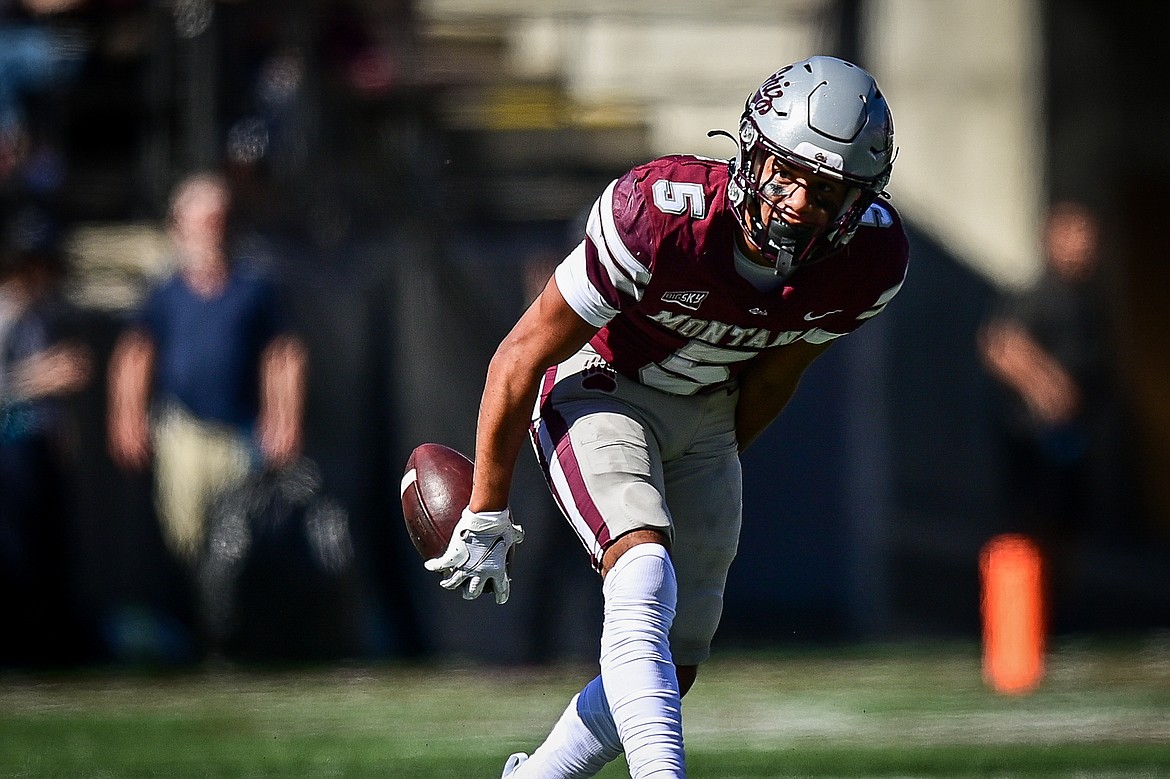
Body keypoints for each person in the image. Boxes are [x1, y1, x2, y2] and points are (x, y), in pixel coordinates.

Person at [422, 55, 909, 778]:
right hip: (603, 385)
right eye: (788, 173)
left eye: (829, 189)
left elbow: (779, 373)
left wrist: (706, 464)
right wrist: (489, 507)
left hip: (706, 415)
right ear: (750, 152)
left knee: (670, 666)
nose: (801, 203)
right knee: (643, 568)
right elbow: (520, 355)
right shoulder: (662, 215)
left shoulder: (869, 259)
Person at [107, 171, 307, 569]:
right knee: (185, 538)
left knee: (238, 538)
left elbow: (283, 354)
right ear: (179, 227)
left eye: (218, 220)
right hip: (184, 432)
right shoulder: (165, 293)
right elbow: (134, 354)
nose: (210, 232)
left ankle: (228, 620)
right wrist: (126, 417)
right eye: (200, 222)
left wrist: (284, 419)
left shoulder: (254, 288)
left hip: (240, 434)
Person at [979, 202, 1132, 545]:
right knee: (1027, 532)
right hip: (1034, 440)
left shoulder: (1090, 302)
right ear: (1051, 240)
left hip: (1074, 441)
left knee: (1065, 531)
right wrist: (1047, 385)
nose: (1084, 245)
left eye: (1089, 237)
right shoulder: (1036, 296)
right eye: (1075, 235)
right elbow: (1000, 345)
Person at [0, 206, 91, 665]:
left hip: (39, 445)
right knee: (17, 552)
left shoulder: (43, 314)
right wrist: (44, 377)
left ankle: (45, 647)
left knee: (48, 552)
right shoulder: (7, 313)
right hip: (11, 447)